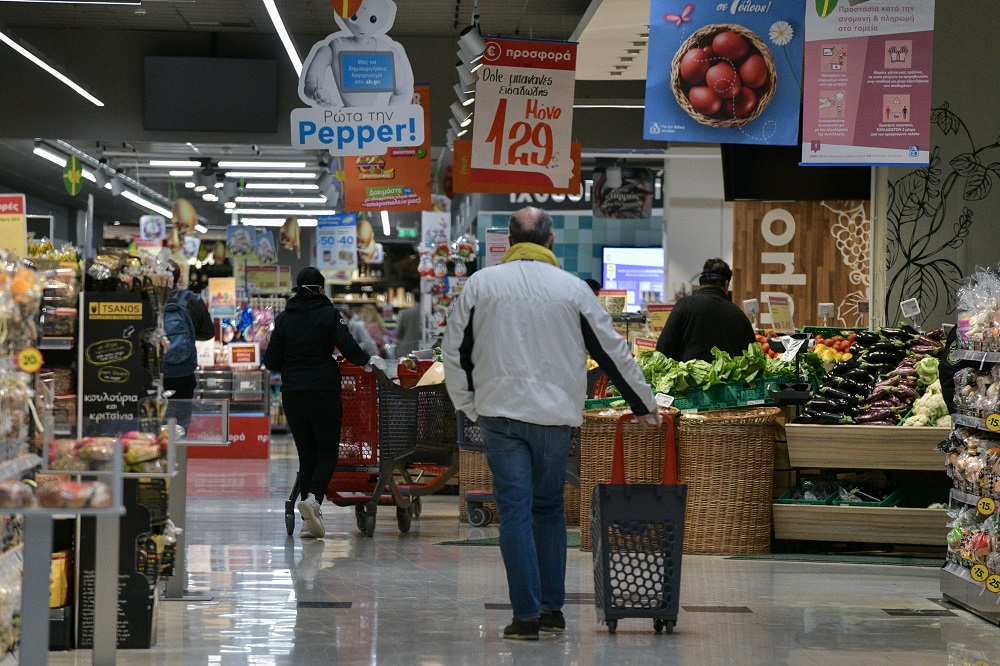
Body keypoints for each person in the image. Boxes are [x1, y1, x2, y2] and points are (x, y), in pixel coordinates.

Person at [442, 206, 658, 641]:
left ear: (508, 239)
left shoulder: (481, 284)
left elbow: (454, 351)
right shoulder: (573, 289)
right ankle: (551, 610)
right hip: (555, 420)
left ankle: (525, 617)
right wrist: (643, 405)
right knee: (549, 510)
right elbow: (611, 349)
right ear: (551, 240)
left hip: (499, 416)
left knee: (516, 514)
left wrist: (469, 405)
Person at [264, 268, 387, 538]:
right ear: (321, 290)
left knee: (306, 453)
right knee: (327, 451)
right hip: (323, 390)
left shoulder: (284, 319)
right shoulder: (328, 314)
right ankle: (314, 500)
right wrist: (369, 363)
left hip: (293, 393)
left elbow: (271, 361)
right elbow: (349, 348)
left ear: (297, 289)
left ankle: (309, 521)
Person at [655, 258, 756, 363]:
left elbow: (663, 350)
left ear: (700, 282)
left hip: (687, 378)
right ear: (726, 284)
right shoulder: (738, 314)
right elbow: (752, 359)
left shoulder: (683, 305)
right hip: (726, 379)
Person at [163, 260, 215, 428]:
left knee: (150, 420)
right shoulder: (191, 299)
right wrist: (189, 336)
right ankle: (178, 451)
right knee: (180, 423)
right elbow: (208, 332)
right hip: (182, 372)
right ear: (178, 277)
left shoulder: (142, 299)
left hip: (153, 372)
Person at [393, 291, 423, 357]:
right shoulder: (433, 314)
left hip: (407, 351)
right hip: (430, 352)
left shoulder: (405, 313)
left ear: (414, 298)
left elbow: (398, 334)